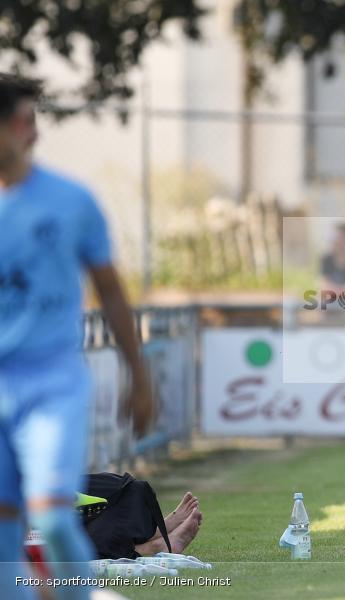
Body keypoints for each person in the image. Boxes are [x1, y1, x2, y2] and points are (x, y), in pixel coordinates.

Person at [0, 75, 152, 597]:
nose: (31, 130)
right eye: (22, 119)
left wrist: (140, 375)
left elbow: (111, 292)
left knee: (53, 516)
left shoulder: (71, 201)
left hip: (53, 381)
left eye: (30, 120)